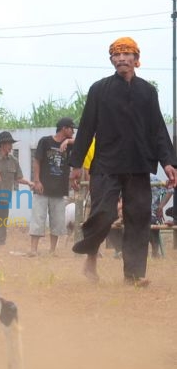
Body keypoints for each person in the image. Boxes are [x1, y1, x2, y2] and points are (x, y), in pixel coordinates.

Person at [69, 37, 177, 286]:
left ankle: (134, 275)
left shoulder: (148, 92)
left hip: (139, 165)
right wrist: (76, 165)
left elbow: (158, 130)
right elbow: (86, 127)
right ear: (111, 61)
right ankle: (91, 258)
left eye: (126, 54)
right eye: (116, 55)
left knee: (139, 217)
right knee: (103, 214)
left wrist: (169, 162)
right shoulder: (99, 89)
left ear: (136, 60)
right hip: (106, 165)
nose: (120, 59)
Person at [28, 117, 75, 257]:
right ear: (64, 128)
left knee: (58, 221)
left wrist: (68, 141)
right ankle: (33, 250)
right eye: (71, 128)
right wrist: (36, 181)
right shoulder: (45, 141)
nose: (73, 131)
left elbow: (85, 141)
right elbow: (37, 161)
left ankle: (52, 251)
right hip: (42, 188)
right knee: (38, 218)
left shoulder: (70, 145)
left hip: (59, 189)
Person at [0, 131, 33, 246]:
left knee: (1, 222)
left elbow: (19, 178)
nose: (11, 146)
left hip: (4, 197)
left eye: (11, 144)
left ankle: (0, 244)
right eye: (9, 144)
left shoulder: (14, 161)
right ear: (2, 145)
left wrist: (29, 183)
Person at [150, 175, 173, 258]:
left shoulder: (153, 179)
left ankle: (155, 251)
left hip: (153, 214)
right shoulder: (130, 180)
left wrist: (161, 206)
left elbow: (170, 189)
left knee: (151, 221)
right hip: (136, 213)